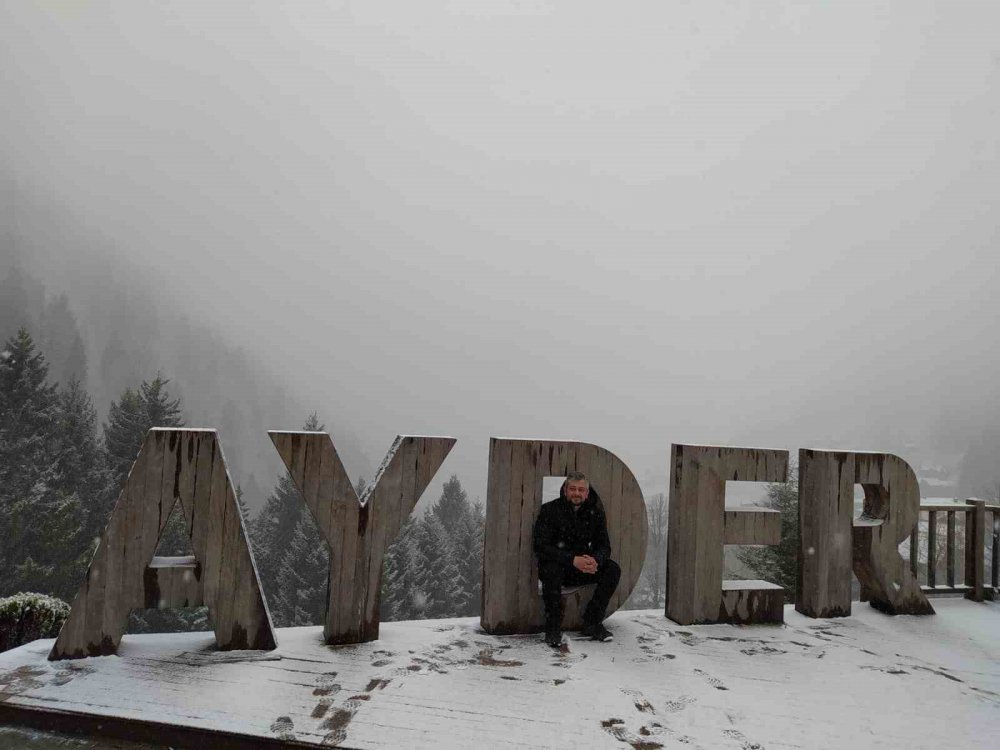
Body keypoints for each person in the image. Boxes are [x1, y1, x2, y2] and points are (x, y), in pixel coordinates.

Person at [533, 471, 621, 647]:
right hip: (557, 567)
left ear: (587, 493)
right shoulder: (550, 510)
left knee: (612, 569)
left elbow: (604, 545)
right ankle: (553, 627)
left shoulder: (594, 513)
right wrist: (572, 559)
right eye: (572, 489)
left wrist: (595, 560)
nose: (576, 493)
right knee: (551, 570)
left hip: (582, 568)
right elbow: (541, 547)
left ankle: (592, 622)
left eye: (581, 490)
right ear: (565, 490)